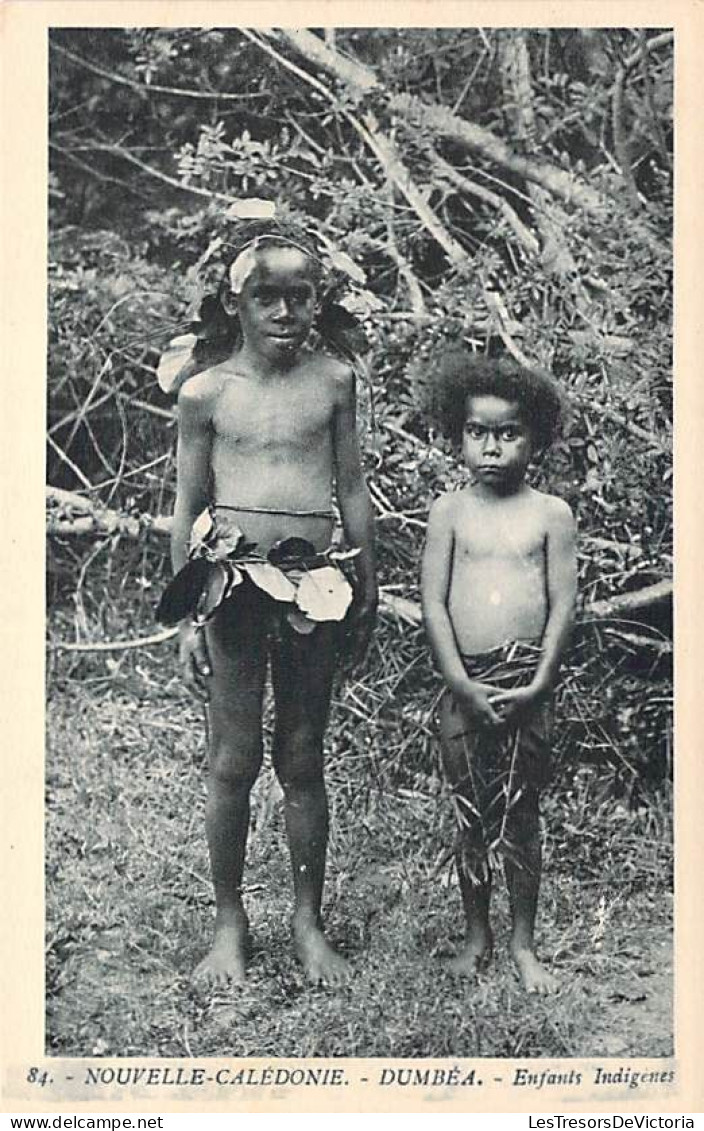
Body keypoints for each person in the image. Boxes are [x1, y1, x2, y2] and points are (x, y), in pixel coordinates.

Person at [156, 219, 377, 987]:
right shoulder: (206, 393)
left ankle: (308, 923)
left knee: (303, 753)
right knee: (233, 757)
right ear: (235, 303)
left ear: (318, 301)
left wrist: (366, 587)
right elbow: (188, 504)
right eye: (266, 298)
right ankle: (229, 923)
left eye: (298, 297)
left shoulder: (334, 382)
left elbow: (350, 486)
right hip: (232, 589)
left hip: (315, 584)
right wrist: (190, 610)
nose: (284, 312)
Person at [420, 351, 577, 994]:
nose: (492, 448)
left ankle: (523, 942)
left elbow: (564, 600)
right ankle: (477, 934)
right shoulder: (449, 512)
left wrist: (540, 681)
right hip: (467, 684)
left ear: (533, 438)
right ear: (458, 436)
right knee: (471, 813)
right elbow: (433, 600)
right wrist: (459, 681)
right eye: (478, 433)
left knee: (521, 812)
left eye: (508, 433)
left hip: (524, 684)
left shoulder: (551, 515)